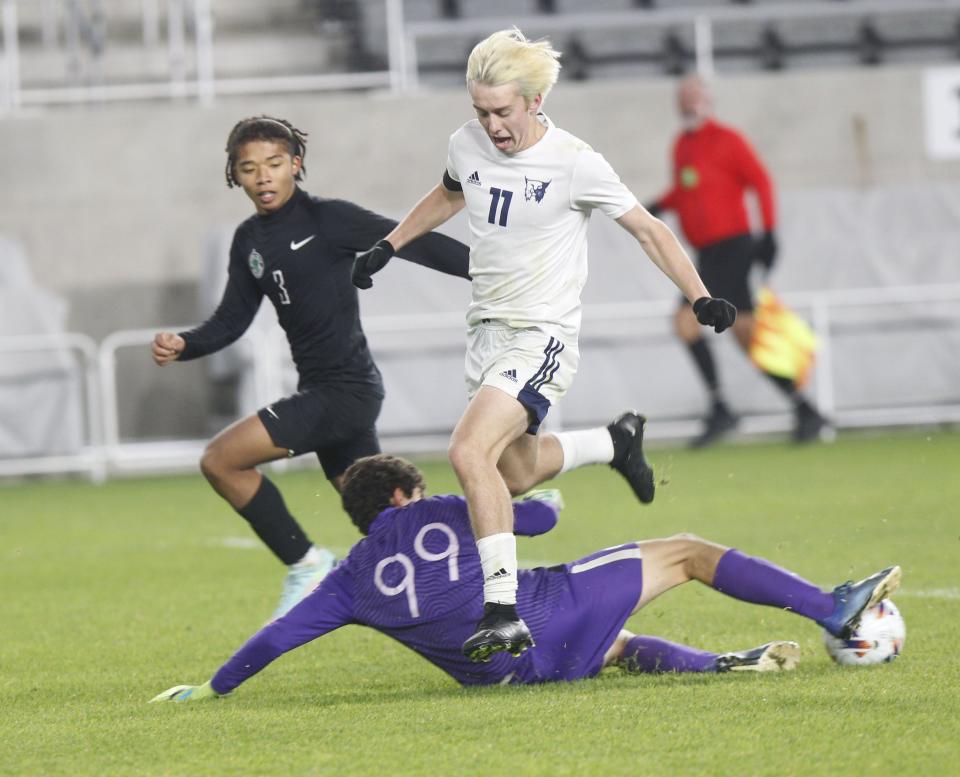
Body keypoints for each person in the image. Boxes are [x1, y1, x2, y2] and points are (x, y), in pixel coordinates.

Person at [349, 28, 737, 661]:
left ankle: (501, 609)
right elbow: (449, 192)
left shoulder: (574, 160)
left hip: (541, 336)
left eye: (502, 111)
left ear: (533, 100)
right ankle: (616, 443)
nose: (491, 124)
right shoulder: (466, 143)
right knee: (516, 472)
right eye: (480, 110)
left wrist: (699, 295)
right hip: (486, 334)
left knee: (467, 451)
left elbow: (647, 229)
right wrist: (388, 246)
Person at [150, 453, 902, 702]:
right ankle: (832, 608)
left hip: (509, 675)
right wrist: (540, 490)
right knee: (687, 551)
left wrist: (211, 688)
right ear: (407, 493)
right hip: (551, 613)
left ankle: (717, 664)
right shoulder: (444, 505)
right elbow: (536, 523)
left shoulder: (347, 582)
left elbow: (277, 637)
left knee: (614, 645)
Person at [151, 116, 472, 619]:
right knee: (385, 525)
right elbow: (232, 320)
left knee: (220, 460)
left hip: (343, 393)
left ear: (295, 165)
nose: (263, 176)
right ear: (235, 175)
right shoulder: (249, 242)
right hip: (333, 393)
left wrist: (488, 270)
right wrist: (185, 344)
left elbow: (412, 239)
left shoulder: (329, 219)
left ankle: (306, 563)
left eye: (274, 164)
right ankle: (466, 594)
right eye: (249, 167)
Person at [646, 75, 829, 448]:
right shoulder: (682, 145)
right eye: (684, 97)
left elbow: (760, 181)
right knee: (744, 336)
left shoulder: (728, 140)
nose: (689, 103)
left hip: (732, 248)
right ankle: (799, 407)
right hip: (708, 254)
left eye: (695, 97)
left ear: (708, 102)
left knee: (694, 324)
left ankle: (726, 407)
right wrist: (659, 206)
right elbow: (687, 189)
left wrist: (770, 231)